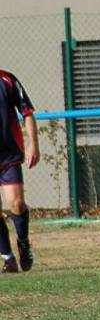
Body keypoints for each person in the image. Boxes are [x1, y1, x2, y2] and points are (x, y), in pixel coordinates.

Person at [0, 69, 38, 273]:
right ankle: (8, 259)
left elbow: (27, 113)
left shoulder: (7, 79)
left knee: (16, 203)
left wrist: (33, 143)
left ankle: (23, 242)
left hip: (8, 156)